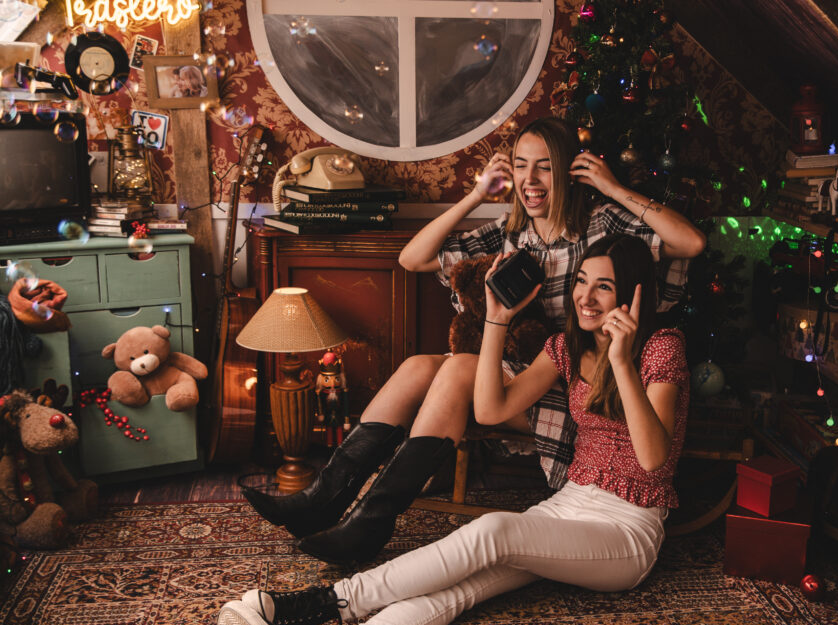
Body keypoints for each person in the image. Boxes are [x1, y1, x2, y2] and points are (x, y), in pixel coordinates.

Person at [218, 234, 690, 625]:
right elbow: (490, 408)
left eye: (603, 286)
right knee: (462, 586)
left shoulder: (660, 348)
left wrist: (623, 362)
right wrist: (497, 319)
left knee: (494, 529)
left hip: (628, 530)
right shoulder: (567, 346)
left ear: (633, 295)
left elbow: (653, 457)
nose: (585, 297)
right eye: (581, 281)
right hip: (569, 505)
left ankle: (322, 604)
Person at [241, 116, 705, 564]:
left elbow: (691, 244)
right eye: (521, 165)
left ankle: (369, 523)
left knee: (459, 367)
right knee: (418, 367)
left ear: (567, 170)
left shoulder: (601, 225)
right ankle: (327, 499)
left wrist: (614, 188)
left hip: (575, 390)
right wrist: (476, 195)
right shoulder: (513, 232)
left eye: (544, 165)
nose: (531, 178)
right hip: (520, 371)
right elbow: (412, 258)